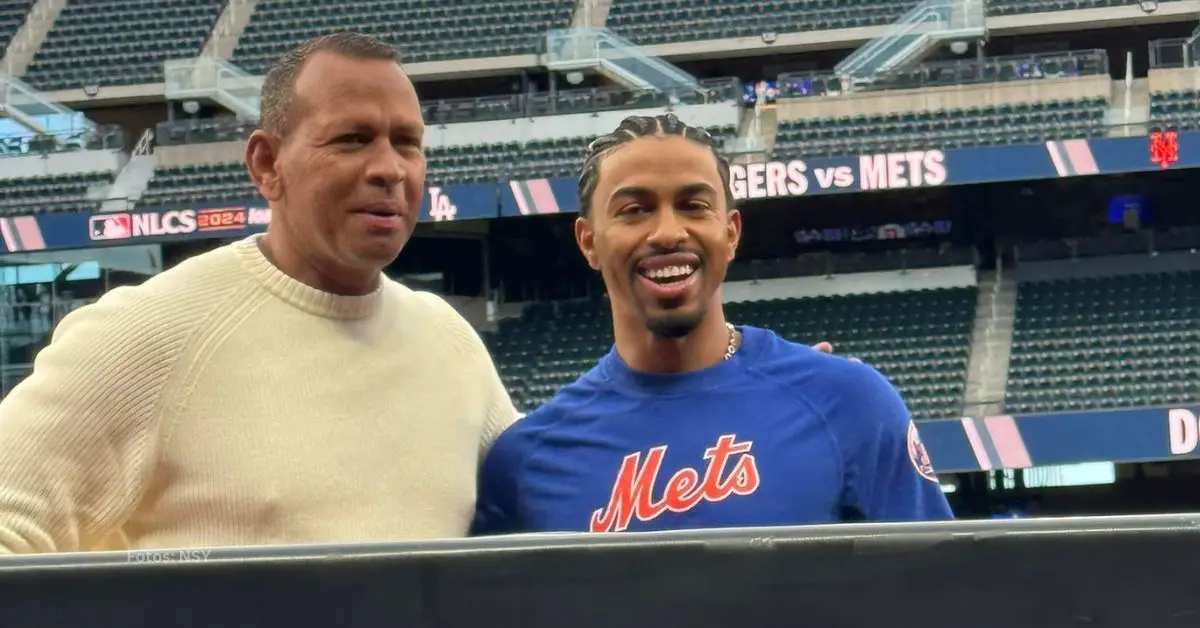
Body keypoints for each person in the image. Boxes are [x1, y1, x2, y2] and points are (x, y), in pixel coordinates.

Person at [0, 32, 516, 554]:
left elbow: (539, 511)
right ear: (267, 164)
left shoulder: (451, 341)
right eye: (352, 139)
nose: (389, 168)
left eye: (407, 142)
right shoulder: (146, 333)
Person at [471, 114, 954, 535]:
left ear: (730, 233)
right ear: (589, 242)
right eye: (634, 210)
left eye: (693, 205)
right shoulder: (526, 461)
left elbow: (943, 591)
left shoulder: (850, 404)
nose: (667, 232)